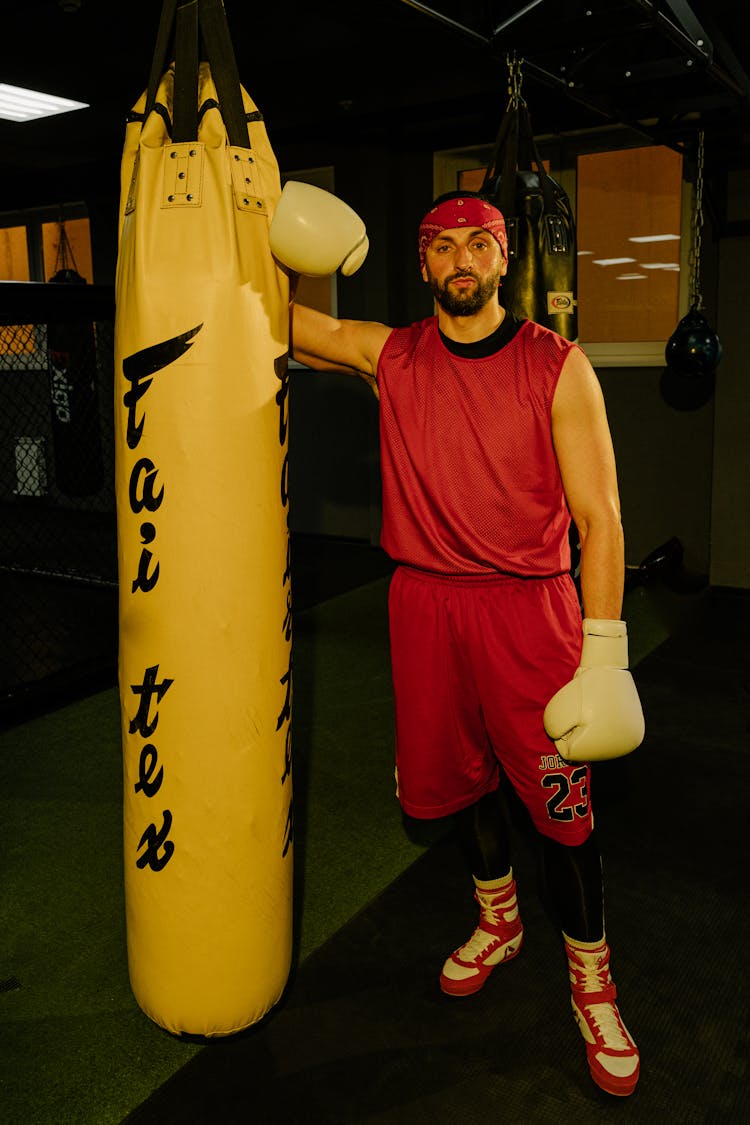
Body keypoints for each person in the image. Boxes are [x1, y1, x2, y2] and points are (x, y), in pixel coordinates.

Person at [274, 188, 645, 1097]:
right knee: (462, 778)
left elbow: (600, 514)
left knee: (562, 806)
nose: (459, 260)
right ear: (424, 262)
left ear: (503, 258)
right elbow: (282, 323)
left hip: (530, 611)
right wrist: (269, 232)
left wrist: (605, 652)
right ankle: (498, 918)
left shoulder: (556, 364)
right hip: (426, 606)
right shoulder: (393, 355)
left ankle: (591, 979)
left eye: (477, 243)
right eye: (440, 246)